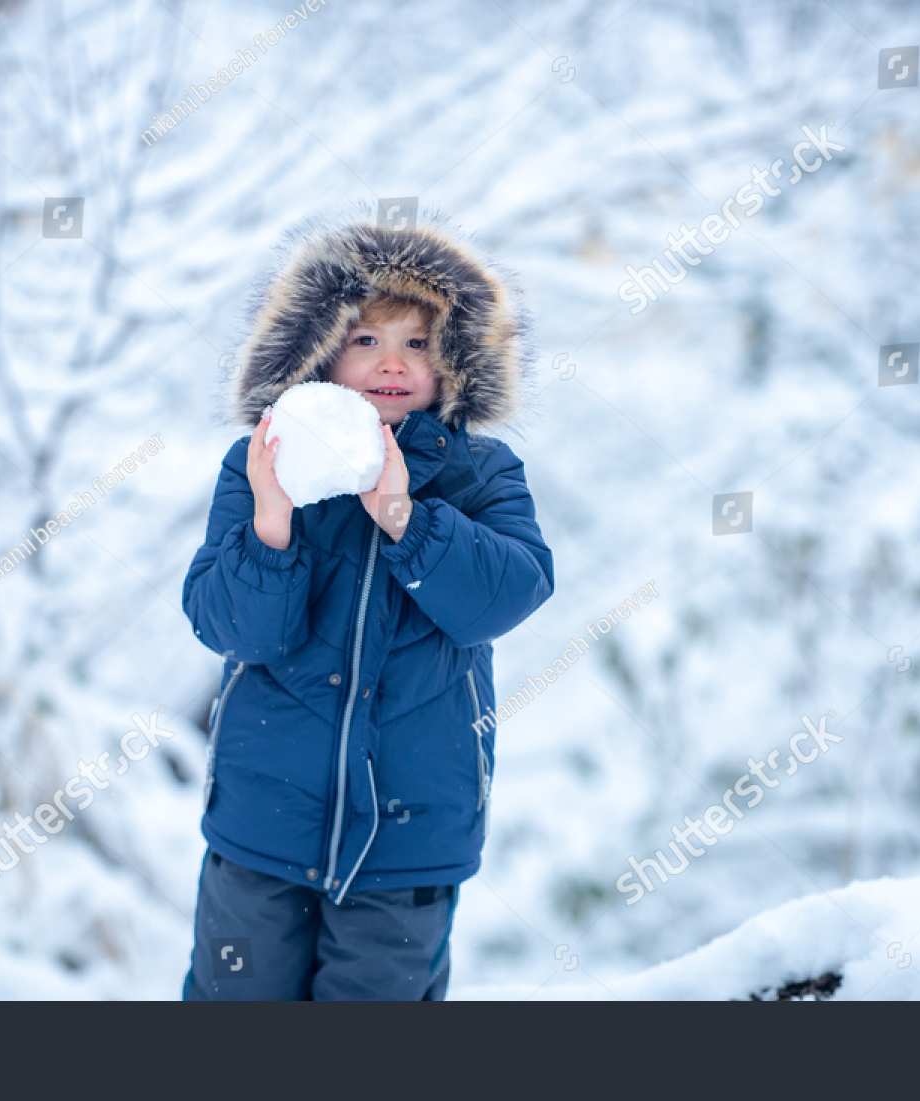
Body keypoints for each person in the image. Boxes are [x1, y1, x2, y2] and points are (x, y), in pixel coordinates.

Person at [180, 212, 554, 999]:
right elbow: (233, 627)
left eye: (417, 343)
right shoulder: (258, 467)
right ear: (317, 349)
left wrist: (404, 516)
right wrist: (272, 520)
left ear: (452, 357)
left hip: (409, 842)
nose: (392, 362)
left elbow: (507, 594)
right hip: (261, 827)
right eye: (365, 340)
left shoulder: (479, 472)